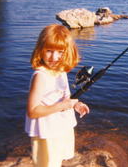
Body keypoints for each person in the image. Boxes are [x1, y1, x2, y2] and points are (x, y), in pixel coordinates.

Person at [25, 24, 89, 167]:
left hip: (60, 127)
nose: (54, 57)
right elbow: (32, 111)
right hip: (46, 133)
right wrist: (61, 106)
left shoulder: (60, 71)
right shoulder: (40, 76)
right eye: (49, 50)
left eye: (60, 52)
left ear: (67, 52)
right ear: (40, 50)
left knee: (57, 161)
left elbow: (64, 96)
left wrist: (75, 104)